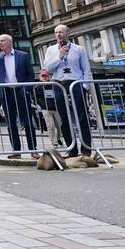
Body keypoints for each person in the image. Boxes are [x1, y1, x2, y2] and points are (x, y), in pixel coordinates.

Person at [40, 24, 93, 156]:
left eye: (61, 32)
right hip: (59, 84)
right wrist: (59, 56)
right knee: (63, 118)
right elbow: (48, 69)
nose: (58, 35)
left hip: (76, 83)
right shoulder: (50, 50)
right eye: (56, 32)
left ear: (68, 33)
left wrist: (85, 86)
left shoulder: (78, 49)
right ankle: (71, 149)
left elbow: (86, 69)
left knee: (82, 116)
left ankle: (86, 149)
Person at [0, 34, 38, 159]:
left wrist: (26, 89)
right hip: (6, 92)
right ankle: (16, 150)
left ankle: (33, 149)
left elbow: (30, 74)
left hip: (20, 91)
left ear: (10, 42)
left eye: (2, 41)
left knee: (27, 121)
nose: (0, 43)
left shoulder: (23, 56)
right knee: (11, 123)